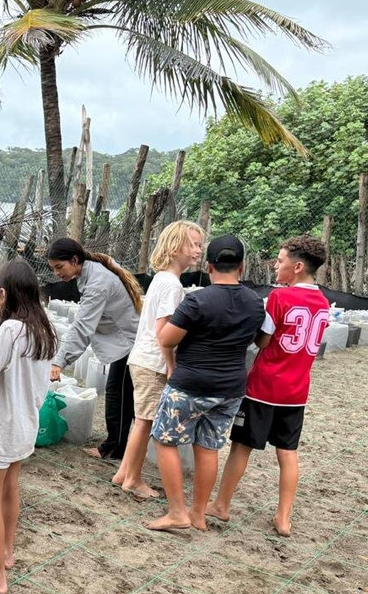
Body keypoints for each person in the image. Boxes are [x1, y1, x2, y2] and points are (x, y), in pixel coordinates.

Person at [205, 236, 330, 537]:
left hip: (264, 387)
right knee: (288, 453)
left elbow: (263, 341)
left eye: (281, 260)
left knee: (241, 446)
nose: (275, 265)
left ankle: (221, 504)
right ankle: (283, 518)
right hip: (296, 392)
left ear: (297, 267)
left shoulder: (279, 297)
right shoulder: (324, 304)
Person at [148, 234, 265, 533]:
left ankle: (177, 512)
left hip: (190, 384)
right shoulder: (255, 302)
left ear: (209, 267)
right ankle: (198, 513)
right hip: (230, 389)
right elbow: (260, 340)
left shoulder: (197, 300)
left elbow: (167, 339)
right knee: (209, 447)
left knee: (165, 440)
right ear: (241, 267)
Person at [0, 260, 58, 594]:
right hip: (25, 424)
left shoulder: (10, 330)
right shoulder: (45, 329)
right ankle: (5, 554)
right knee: (10, 488)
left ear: (4, 293)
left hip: (2, 426)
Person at [113, 221, 204, 499]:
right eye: (193, 244)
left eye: (200, 245)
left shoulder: (162, 279)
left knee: (141, 420)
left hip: (142, 358)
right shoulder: (172, 285)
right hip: (153, 362)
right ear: (175, 246)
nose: (198, 250)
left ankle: (123, 473)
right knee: (145, 422)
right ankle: (133, 480)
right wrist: (171, 365)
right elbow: (163, 330)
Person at [46, 238, 142, 461]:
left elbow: (82, 326)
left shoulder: (98, 282)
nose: (57, 273)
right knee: (121, 394)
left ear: (74, 260)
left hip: (129, 343)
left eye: (59, 267)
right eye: (53, 269)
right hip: (126, 340)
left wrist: (60, 361)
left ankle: (115, 448)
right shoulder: (92, 272)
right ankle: (120, 445)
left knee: (119, 395)